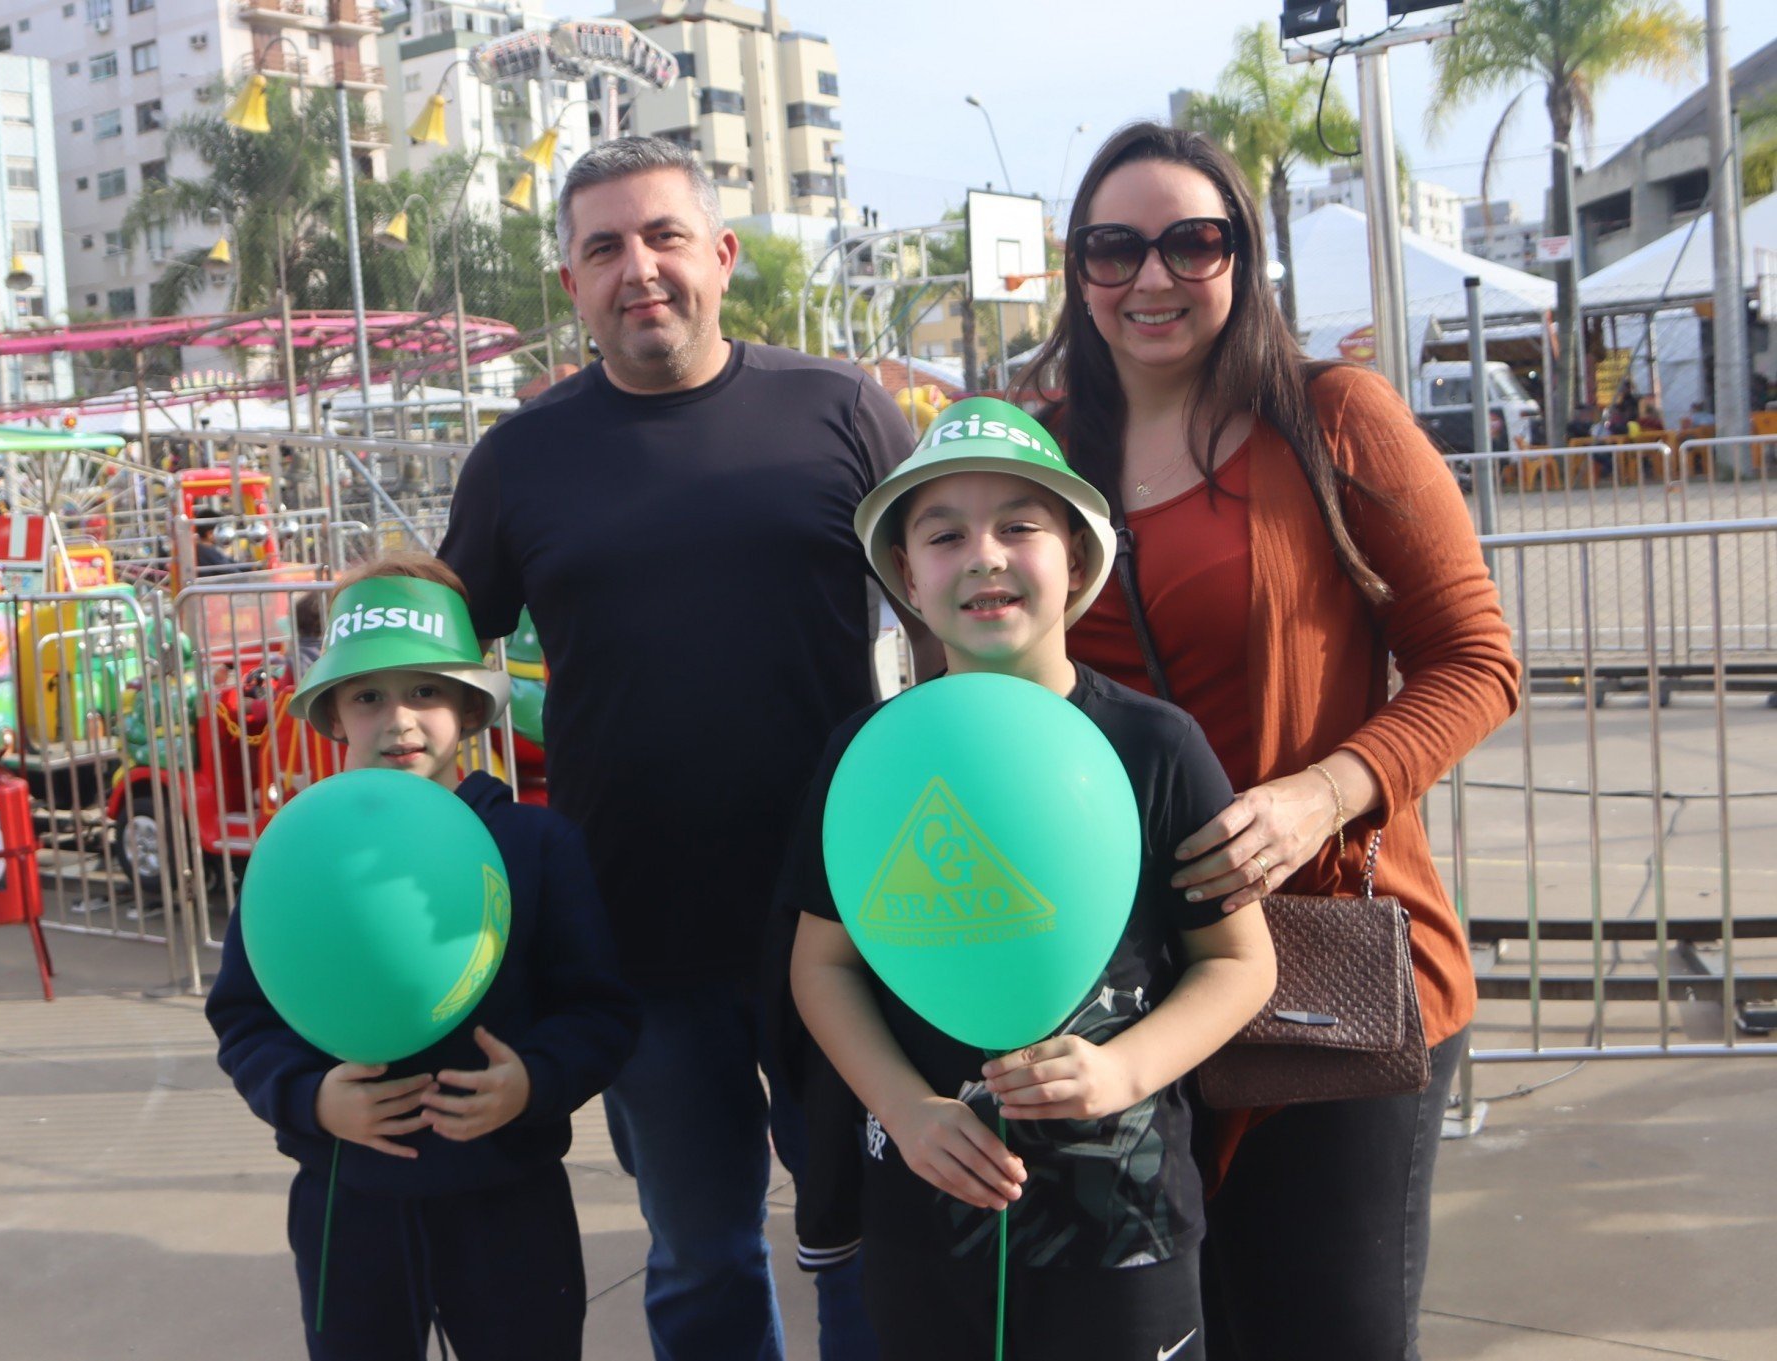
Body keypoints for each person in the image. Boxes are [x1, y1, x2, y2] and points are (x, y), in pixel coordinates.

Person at [1019, 122, 1520, 1359]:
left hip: (1323, 965)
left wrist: (1324, 791)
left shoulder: (1333, 419)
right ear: (1076, 270)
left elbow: (1478, 661)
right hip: (1118, 979)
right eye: (1113, 247)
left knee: (1325, 1331)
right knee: (1173, 1331)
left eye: (1194, 242)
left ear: (1243, 257)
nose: (1152, 277)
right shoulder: (1036, 451)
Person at [439, 135, 922, 1361]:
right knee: (699, 1250)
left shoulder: (843, 411)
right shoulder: (520, 461)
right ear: (572, 286)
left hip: (847, 920)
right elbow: (435, 666)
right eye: (603, 247)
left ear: (721, 255)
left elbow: (961, 613)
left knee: (865, 1234)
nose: (637, 268)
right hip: (639, 937)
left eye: (662, 237)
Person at [788, 401, 1276, 1360]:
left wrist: (1122, 1068)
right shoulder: (869, 756)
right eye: (943, 534)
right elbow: (822, 966)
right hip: (928, 1222)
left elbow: (1240, 962)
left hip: (1122, 1228)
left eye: (1020, 524)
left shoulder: (1153, 745)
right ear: (907, 581)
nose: (984, 554)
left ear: (1079, 561)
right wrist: (903, 1107)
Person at [206, 549, 638, 1361]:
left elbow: (601, 1012)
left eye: (425, 690)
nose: (398, 718)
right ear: (333, 714)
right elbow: (243, 1017)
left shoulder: (537, 846)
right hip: (348, 1198)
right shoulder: (296, 855)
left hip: (508, 1197)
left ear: (471, 709)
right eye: (368, 695)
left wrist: (533, 1080)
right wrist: (309, 1098)